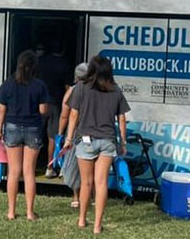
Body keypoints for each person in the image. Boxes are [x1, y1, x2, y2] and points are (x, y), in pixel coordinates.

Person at [63, 55, 130, 235]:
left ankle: (82, 219)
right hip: (108, 141)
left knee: (86, 183)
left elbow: (73, 115)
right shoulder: (115, 90)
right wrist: (123, 141)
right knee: (101, 184)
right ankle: (97, 225)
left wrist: (68, 139)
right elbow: (122, 118)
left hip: (85, 140)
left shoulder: (80, 88)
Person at [0, 50, 51, 221]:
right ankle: (29, 212)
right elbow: (43, 110)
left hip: (11, 127)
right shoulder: (39, 85)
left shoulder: (9, 83)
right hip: (33, 128)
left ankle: (11, 212)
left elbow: (2, 109)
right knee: (29, 172)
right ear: (34, 66)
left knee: (13, 172)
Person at [38, 38, 72, 178]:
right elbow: (68, 89)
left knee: (35, 135)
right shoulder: (65, 65)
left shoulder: (41, 62)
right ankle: (50, 167)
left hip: (39, 104)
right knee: (53, 137)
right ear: (63, 50)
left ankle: (29, 165)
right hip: (56, 105)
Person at [58, 62, 88, 208]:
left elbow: (65, 114)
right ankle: (91, 195)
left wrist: (60, 133)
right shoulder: (97, 89)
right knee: (91, 164)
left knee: (73, 163)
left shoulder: (73, 90)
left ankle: (76, 196)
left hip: (76, 131)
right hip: (93, 131)